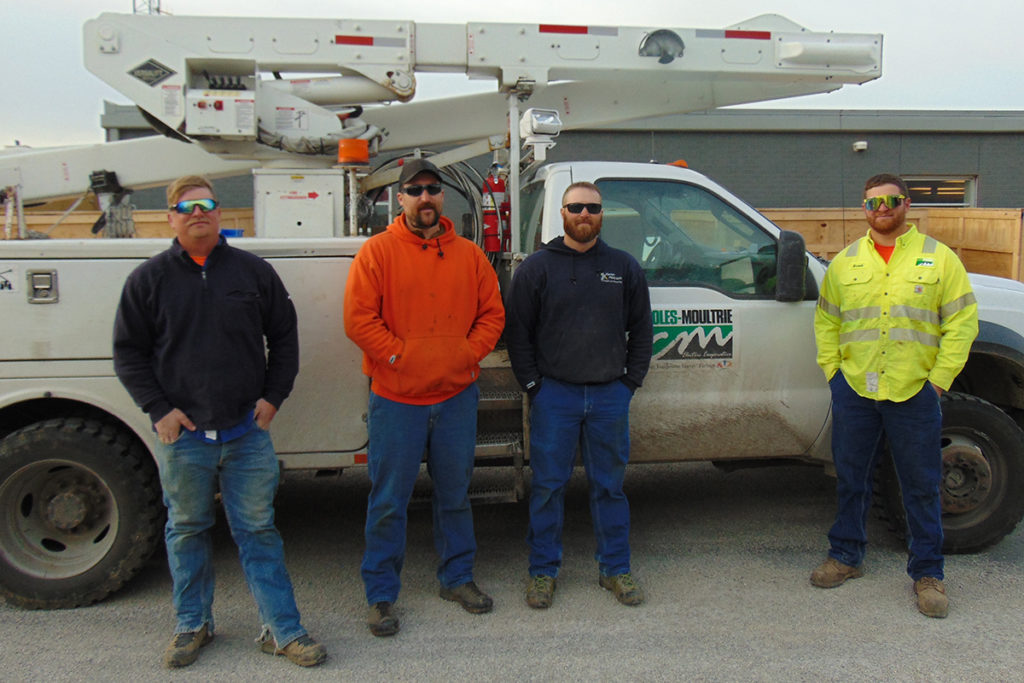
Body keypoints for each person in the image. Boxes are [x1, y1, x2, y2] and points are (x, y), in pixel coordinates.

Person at [113, 175, 326, 668]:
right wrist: (159, 410)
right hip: (185, 438)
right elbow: (129, 354)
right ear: (170, 217)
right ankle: (193, 625)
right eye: (185, 207)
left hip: (246, 433)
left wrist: (274, 396)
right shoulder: (148, 281)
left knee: (258, 532)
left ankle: (283, 629)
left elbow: (286, 337)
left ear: (219, 213)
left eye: (206, 204)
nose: (197, 212)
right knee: (186, 530)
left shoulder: (252, 273)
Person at [343, 158, 505, 637]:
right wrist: (398, 358)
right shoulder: (377, 253)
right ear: (400, 199)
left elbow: (492, 316)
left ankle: (456, 578)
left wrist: (463, 356)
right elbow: (359, 320)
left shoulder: (470, 256)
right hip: (396, 401)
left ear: (443, 196)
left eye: (433, 189)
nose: (425, 197)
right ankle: (380, 595)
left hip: (456, 398)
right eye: (415, 190)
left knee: (454, 496)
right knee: (389, 500)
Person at [811, 173, 978, 618]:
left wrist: (939, 379)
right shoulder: (845, 263)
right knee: (851, 478)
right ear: (863, 209)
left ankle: (928, 573)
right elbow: (826, 322)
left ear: (906, 204)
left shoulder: (939, 259)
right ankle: (845, 556)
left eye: (890, 200)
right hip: (856, 390)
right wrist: (834, 373)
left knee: (921, 486)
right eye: (872, 203)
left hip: (915, 392)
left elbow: (962, 323)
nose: (881, 208)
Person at [505, 181, 653, 609]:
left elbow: (642, 331)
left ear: (602, 215)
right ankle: (542, 573)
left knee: (610, 487)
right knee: (548, 487)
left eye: (592, 208)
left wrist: (629, 384)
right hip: (556, 398)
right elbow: (519, 334)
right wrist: (535, 386)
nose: (584, 214)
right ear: (563, 214)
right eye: (576, 208)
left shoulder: (624, 268)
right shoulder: (536, 268)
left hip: (610, 397)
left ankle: (615, 569)